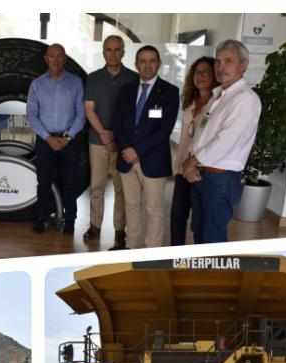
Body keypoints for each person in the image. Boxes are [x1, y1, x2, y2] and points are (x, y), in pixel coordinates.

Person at [182, 39, 262, 244]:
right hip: (202, 174)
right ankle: (198, 273)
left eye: (228, 61)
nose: (221, 67)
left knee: (212, 237)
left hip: (220, 180)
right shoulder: (218, 95)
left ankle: (211, 276)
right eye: (218, 62)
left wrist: (193, 160)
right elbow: (202, 132)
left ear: (243, 64)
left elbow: (225, 141)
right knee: (199, 231)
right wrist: (192, 158)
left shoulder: (245, 98)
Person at [111, 45, 179, 249]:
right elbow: (117, 124)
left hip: (153, 160)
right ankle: (131, 246)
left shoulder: (169, 92)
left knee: (154, 209)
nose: (147, 65)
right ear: (136, 65)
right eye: (143, 61)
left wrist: (137, 151)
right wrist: (127, 149)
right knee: (131, 206)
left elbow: (164, 129)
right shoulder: (126, 91)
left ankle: (152, 251)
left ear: (158, 64)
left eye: (151, 60)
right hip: (126, 159)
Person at [82, 35, 138, 249]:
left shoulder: (134, 78)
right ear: (103, 52)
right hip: (97, 141)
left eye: (117, 50)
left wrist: (117, 137)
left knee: (121, 188)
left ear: (123, 52)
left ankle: (119, 230)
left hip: (123, 143)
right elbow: (89, 108)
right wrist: (104, 134)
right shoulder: (93, 78)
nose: (112, 53)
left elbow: (134, 113)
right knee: (96, 186)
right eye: (108, 50)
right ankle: (95, 225)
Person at [27, 43, 86, 235]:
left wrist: (67, 137)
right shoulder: (37, 84)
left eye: (60, 56)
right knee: (44, 181)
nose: (56, 59)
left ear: (65, 58)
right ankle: (42, 217)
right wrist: (47, 138)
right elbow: (32, 115)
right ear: (46, 58)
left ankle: (70, 219)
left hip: (69, 141)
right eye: (52, 56)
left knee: (69, 181)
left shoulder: (76, 82)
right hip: (45, 141)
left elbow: (81, 114)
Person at [171, 57, 217, 245]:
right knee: (177, 217)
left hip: (201, 169)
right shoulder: (190, 102)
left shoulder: (217, 104)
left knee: (200, 220)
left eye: (206, 72)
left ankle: (198, 258)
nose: (201, 76)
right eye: (197, 72)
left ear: (214, 75)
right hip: (183, 167)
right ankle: (174, 257)